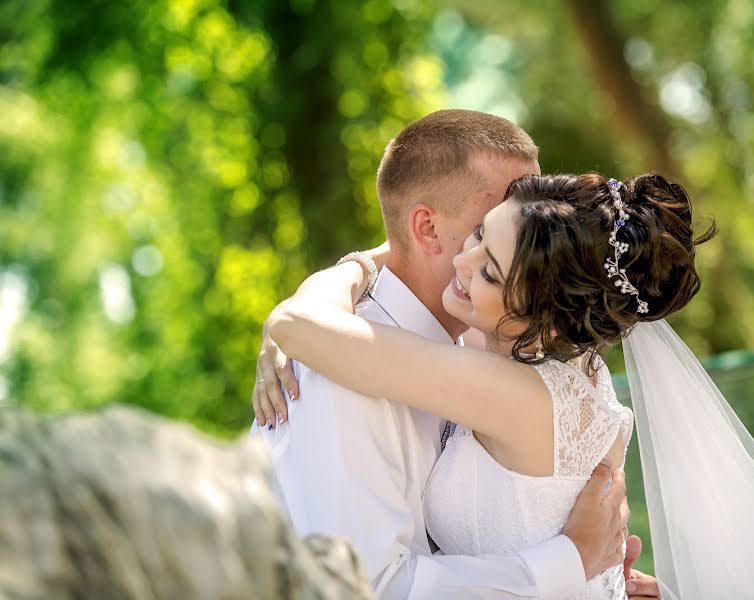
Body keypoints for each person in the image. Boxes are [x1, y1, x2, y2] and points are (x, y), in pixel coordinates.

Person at [251, 110, 661, 599]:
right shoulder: (334, 372)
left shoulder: (503, 350)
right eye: (489, 225)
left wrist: (602, 579)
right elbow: (371, 590)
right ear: (426, 227)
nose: (531, 236)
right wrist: (570, 565)